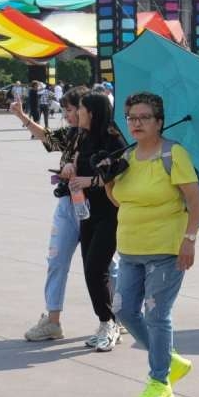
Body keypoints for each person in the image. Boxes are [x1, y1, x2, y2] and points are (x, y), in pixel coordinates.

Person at [106, 92, 199, 397]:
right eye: (132, 118)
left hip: (166, 248)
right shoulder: (127, 156)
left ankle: (161, 383)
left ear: (159, 122)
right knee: (122, 310)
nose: (136, 123)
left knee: (156, 314)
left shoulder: (173, 154)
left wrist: (189, 239)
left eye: (144, 117)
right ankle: (168, 359)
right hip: (130, 247)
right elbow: (122, 201)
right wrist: (108, 180)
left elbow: (195, 201)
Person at [13, 87, 90, 342]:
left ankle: (114, 316)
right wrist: (23, 117)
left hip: (93, 208)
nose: (66, 115)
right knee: (56, 261)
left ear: (85, 109)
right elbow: (47, 137)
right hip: (68, 204)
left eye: (70, 110)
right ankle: (53, 320)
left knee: (104, 266)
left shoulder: (103, 137)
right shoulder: (70, 134)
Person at [62, 92, 127, 351]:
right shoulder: (83, 137)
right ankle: (105, 321)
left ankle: (109, 322)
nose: (77, 112)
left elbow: (121, 170)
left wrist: (92, 181)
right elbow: (78, 165)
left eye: (81, 108)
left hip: (110, 212)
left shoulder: (113, 138)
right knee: (90, 269)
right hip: (86, 211)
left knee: (95, 268)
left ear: (93, 112)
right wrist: (69, 168)